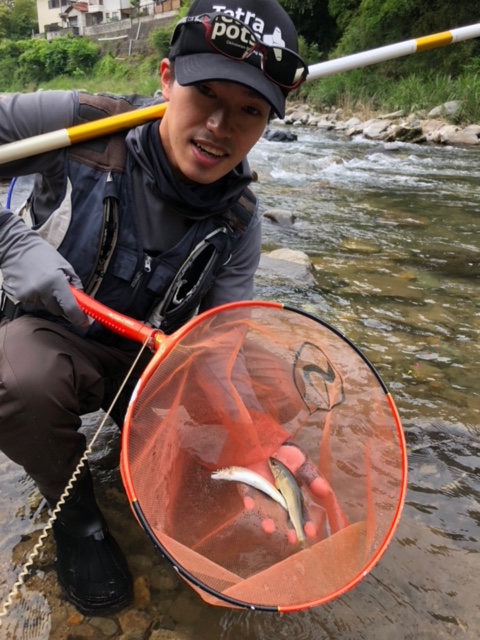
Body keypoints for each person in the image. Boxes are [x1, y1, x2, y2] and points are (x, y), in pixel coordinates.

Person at [0, 0, 344, 617]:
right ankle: (75, 514)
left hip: (158, 360)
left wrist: (254, 437)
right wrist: (9, 241)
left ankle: (189, 468)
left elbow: (220, 352)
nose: (219, 125)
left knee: (279, 386)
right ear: (166, 78)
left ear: (267, 122)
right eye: (205, 93)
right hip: (57, 337)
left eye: (249, 111)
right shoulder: (77, 124)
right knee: (17, 377)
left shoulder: (240, 223)